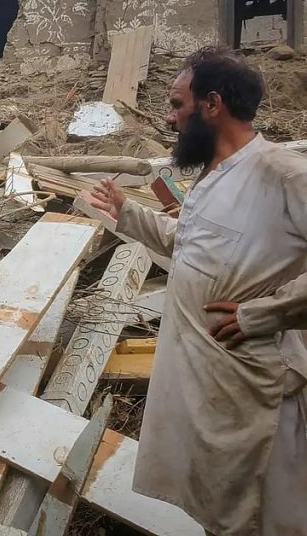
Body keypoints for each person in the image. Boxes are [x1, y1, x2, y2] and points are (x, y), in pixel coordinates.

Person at [90, 46, 307, 536]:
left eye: (175, 104)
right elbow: (193, 245)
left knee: (264, 514)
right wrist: (130, 213)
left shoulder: (283, 173)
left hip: (253, 384)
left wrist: (266, 314)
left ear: (212, 105)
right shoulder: (212, 175)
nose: (169, 118)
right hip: (208, 385)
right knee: (219, 507)